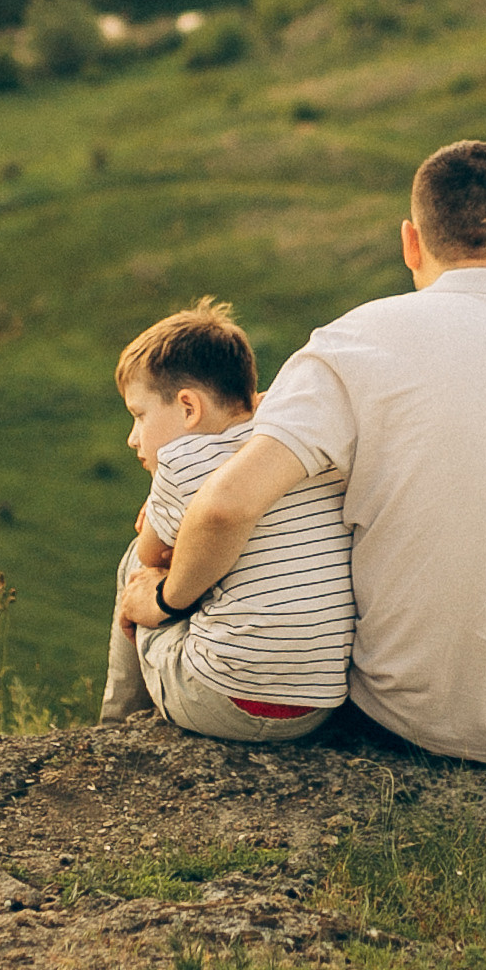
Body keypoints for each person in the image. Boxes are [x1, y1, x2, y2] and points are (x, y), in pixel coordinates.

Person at [117, 143, 486, 763]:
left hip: (410, 719)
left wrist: (164, 599)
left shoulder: (350, 345)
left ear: (410, 242)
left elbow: (226, 507)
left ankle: (121, 729)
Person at [99, 298, 352, 742]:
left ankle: (116, 726)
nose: (132, 438)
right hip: (315, 705)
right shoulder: (299, 448)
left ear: (188, 409)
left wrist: (163, 503)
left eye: (139, 416)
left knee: (134, 569)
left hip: (218, 699)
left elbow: (149, 553)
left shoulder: (180, 461)